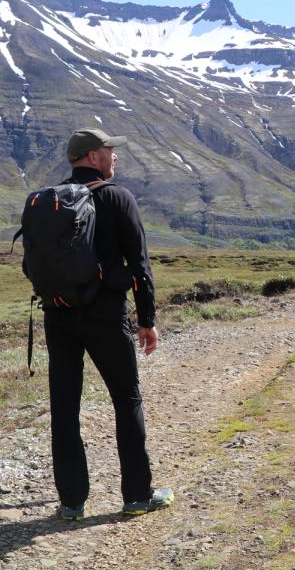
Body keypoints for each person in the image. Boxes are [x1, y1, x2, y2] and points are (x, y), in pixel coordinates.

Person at [39, 127, 173, 520]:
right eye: (109, 150)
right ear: (92, 156)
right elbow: (140, 265)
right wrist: (146, 320)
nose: (115, 156)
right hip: (105, 314)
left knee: (64, 407)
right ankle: (136, 496)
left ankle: (71, 503)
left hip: (58, 314)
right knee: (126, 399)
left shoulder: (52, 201)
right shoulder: (118, 197)